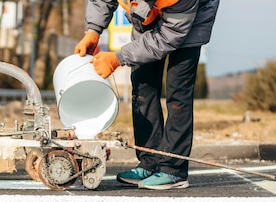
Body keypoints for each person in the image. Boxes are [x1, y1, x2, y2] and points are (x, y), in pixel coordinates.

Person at [75, 0, 219, 190]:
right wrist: (93, 30)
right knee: (142, 84)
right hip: (147, 17)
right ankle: (149, 162)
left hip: (187, 21)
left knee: (178, 93)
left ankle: (173, 170)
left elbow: (167, 38)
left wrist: (118, 58)